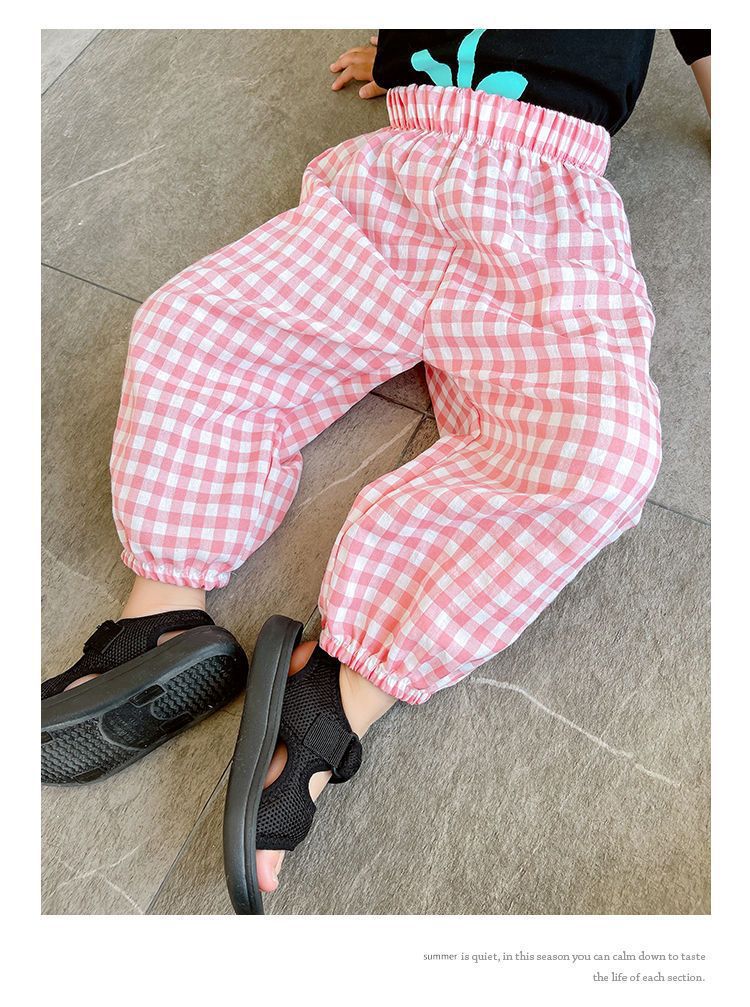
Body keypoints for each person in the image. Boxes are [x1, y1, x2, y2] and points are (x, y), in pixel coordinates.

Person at [41, 29, 711, 913]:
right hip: (398, 175)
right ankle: (162, 614)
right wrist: (399, 50)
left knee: (602, 455)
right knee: (192, 327)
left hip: (548, 215)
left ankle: (339, 688)